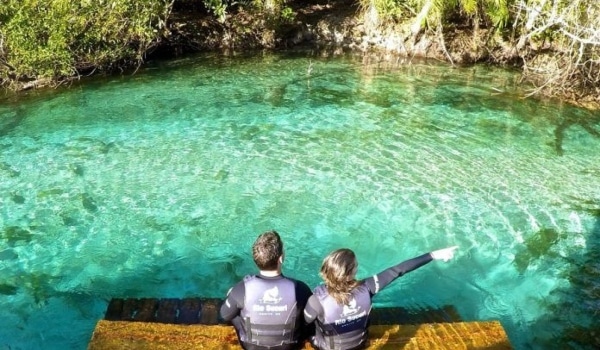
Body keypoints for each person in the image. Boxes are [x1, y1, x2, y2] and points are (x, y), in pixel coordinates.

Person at [303, 246, 459, 350]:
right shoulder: (368, 287)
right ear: (352, 272)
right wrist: (433, 255)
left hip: (328, 347)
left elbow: (303, 322)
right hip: (359, 344)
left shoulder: (317, 298)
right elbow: (398, 270)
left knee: (309, 322)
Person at [220, 230, 314, 350]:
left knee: (235, 307)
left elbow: (225, 315)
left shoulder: (242, 288)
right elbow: (310, 318)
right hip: (290, 345)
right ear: (281, 258)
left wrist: (232, 294)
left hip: (250, 345)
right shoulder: (299, 288)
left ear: (255, 259)